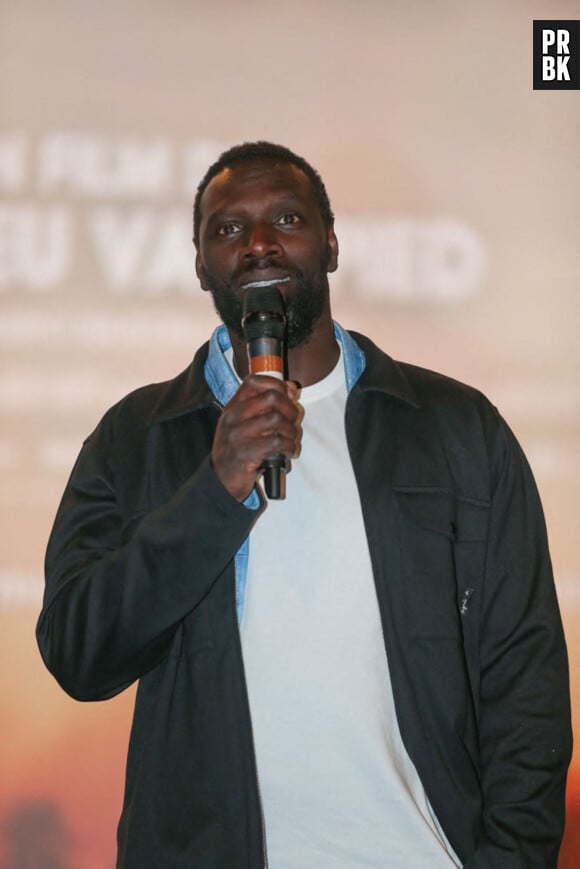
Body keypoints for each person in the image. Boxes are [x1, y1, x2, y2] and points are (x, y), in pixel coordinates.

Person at [37, 141, 572, 868]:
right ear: (199, 264)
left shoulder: (453, 426)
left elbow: (524, 673)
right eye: (228, 228)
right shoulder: (138, 438)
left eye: (286, 218)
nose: (259, 242)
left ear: (330, 245)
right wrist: (214, 491)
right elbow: (78, 651)